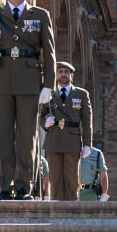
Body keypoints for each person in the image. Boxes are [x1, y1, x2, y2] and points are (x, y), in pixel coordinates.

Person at [0, 0, 56, 200]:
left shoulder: (39, 15)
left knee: (26, 137)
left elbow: (48, 53)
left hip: (30, 81)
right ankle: (3, 187)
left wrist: (48, 85)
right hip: (1, 81)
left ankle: (23, 187)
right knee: (2, 137)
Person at [41, 61, 93, 201]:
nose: (63, 74)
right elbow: (41, 114)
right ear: (56, 75)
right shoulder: (48, 93)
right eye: (60, 71)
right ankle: (57, 211)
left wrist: (87, 144)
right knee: (55, 178)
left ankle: (72, 209)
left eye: (66, 72)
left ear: (72, 75)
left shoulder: (81, 94)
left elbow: (87, 120)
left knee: (71, 179)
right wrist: (45, 123)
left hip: (72, 140)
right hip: (53, 139)